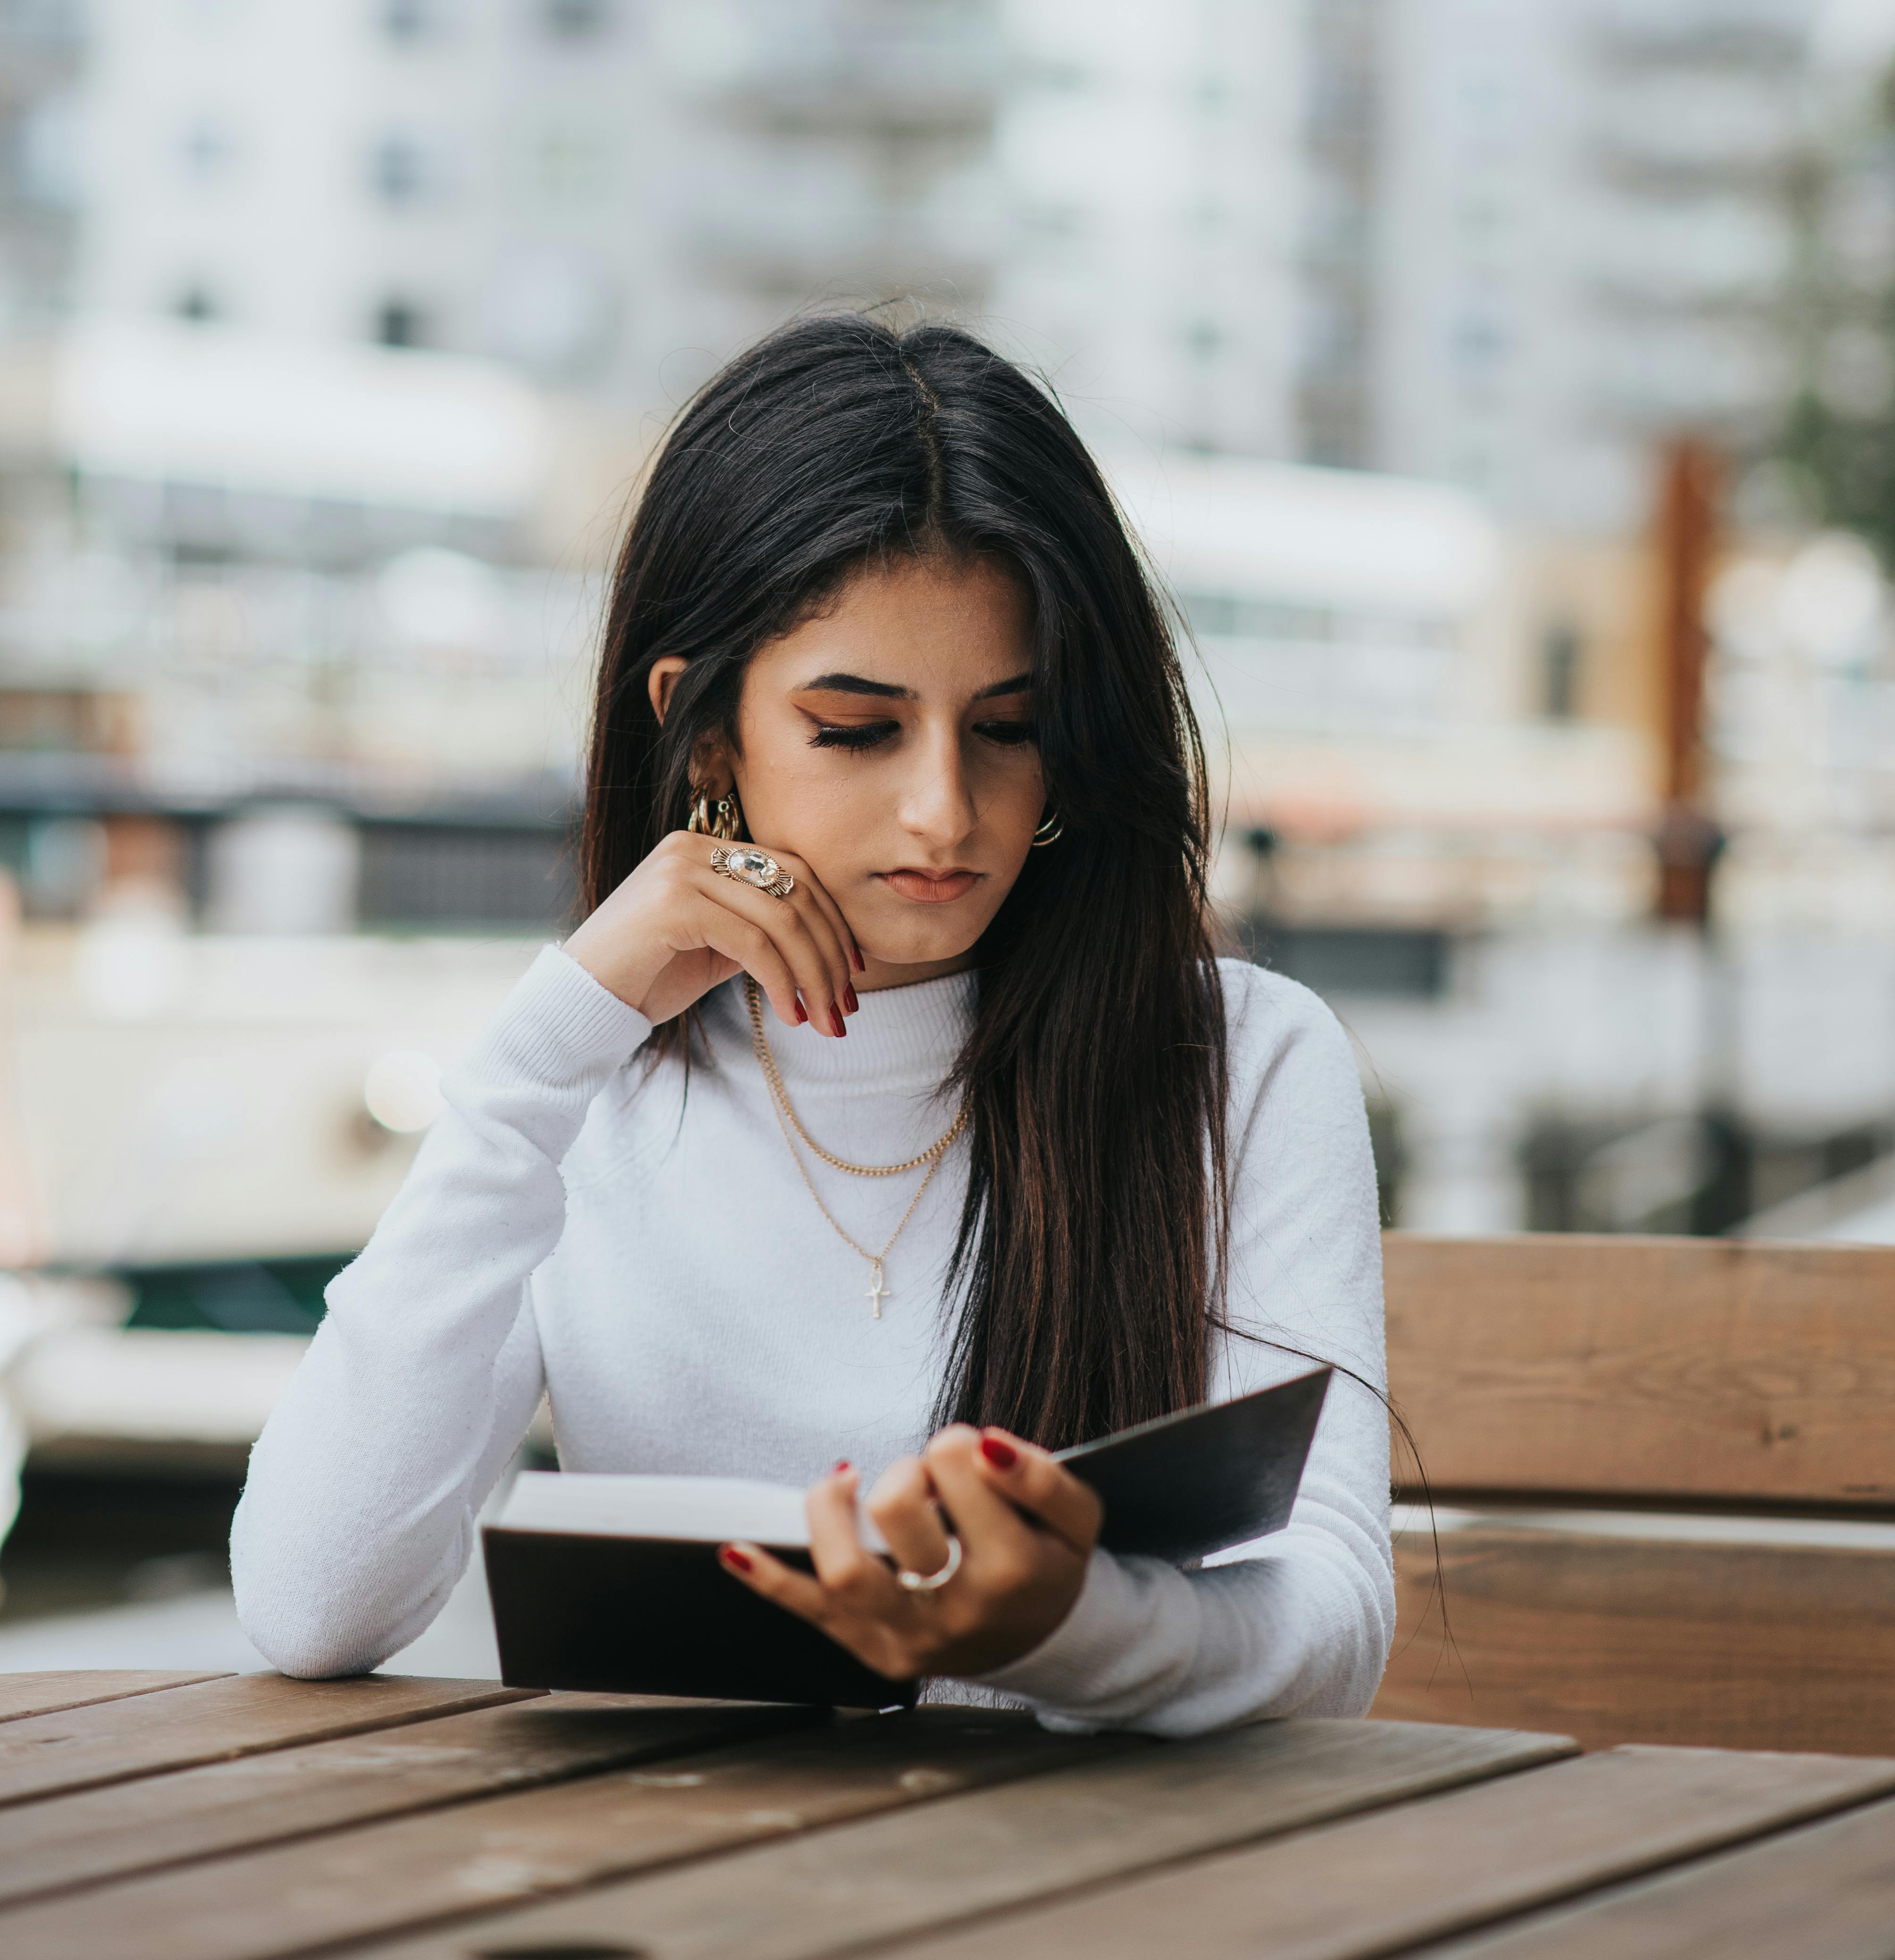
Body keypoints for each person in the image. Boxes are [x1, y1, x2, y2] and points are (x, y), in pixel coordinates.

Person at [232, 317, 1393, 1732]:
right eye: (857, 729)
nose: (945, 812)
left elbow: (1334, 1613)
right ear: (705, 736)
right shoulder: (584, 1088)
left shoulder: (1242, 1061)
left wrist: (1063, 1626)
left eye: (1010, 727)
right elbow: (311, 1602)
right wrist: (549, 1045)